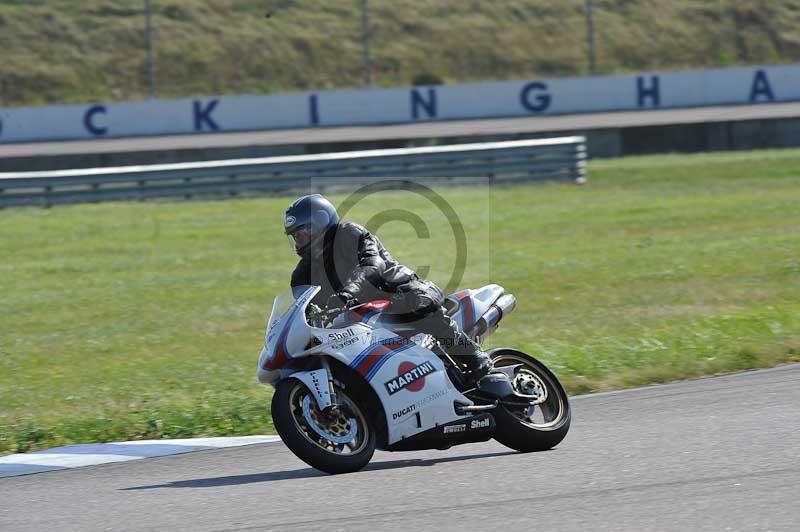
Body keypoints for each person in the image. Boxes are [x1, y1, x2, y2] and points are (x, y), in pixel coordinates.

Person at [284, 193, 493, 382]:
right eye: (294, 236)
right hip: (364, 318)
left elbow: (372, 266)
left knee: (420, 307)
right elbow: (304, 308)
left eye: (302, 232)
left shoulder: (349, 234)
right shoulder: (302, 275)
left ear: (319, 223)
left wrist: (347, 294)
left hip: (401, 293)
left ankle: (474, 356)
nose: (298, 241)